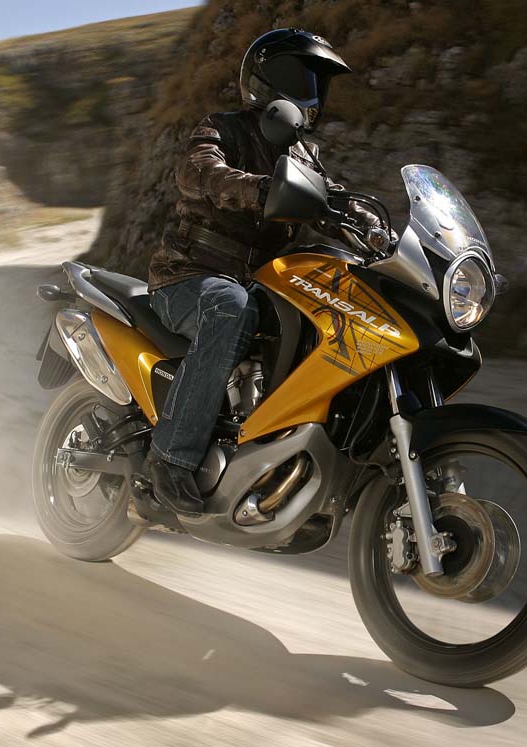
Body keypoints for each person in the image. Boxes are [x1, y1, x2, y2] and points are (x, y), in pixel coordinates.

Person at [141, 28, 381, 515]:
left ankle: (284, 457)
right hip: (189, 274)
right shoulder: (221, 129)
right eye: (303, 79)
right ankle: (170, 459)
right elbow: (197, 172)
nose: (313, 94)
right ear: (269, 80)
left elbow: (327, 200)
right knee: (230, 308)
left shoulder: (303, 156)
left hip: (261, 283)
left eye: (316, 83)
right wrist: (259, 189)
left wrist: (367, 225)